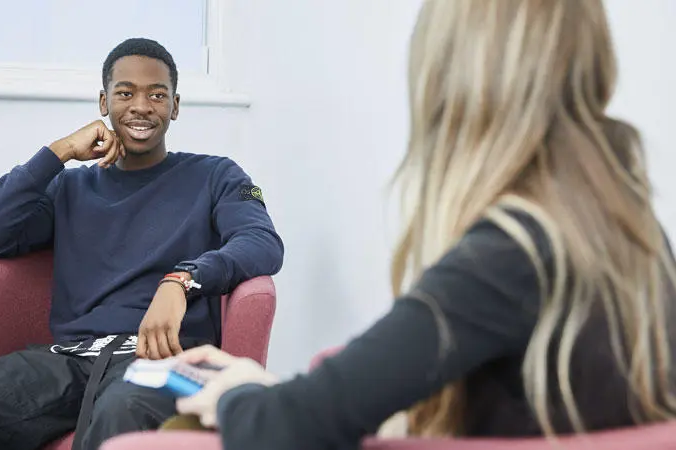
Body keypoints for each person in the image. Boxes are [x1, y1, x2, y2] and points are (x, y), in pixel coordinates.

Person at [172, 1, 676, 448]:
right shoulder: (630, 233)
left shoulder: (511, 253)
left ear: (447, 79)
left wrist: (238, 397)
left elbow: (287, 428)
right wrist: (285, 392)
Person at [0, 37, 283, 450]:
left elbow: (261, 242)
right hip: (68, 359)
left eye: (157, 95)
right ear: (103, 103)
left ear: (174, 106)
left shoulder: (216, 176)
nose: (141, 106)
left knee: (121, 415)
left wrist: (182, 280)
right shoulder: (69, 187)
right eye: (126, 93)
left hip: (165, 360)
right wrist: (59, 152)